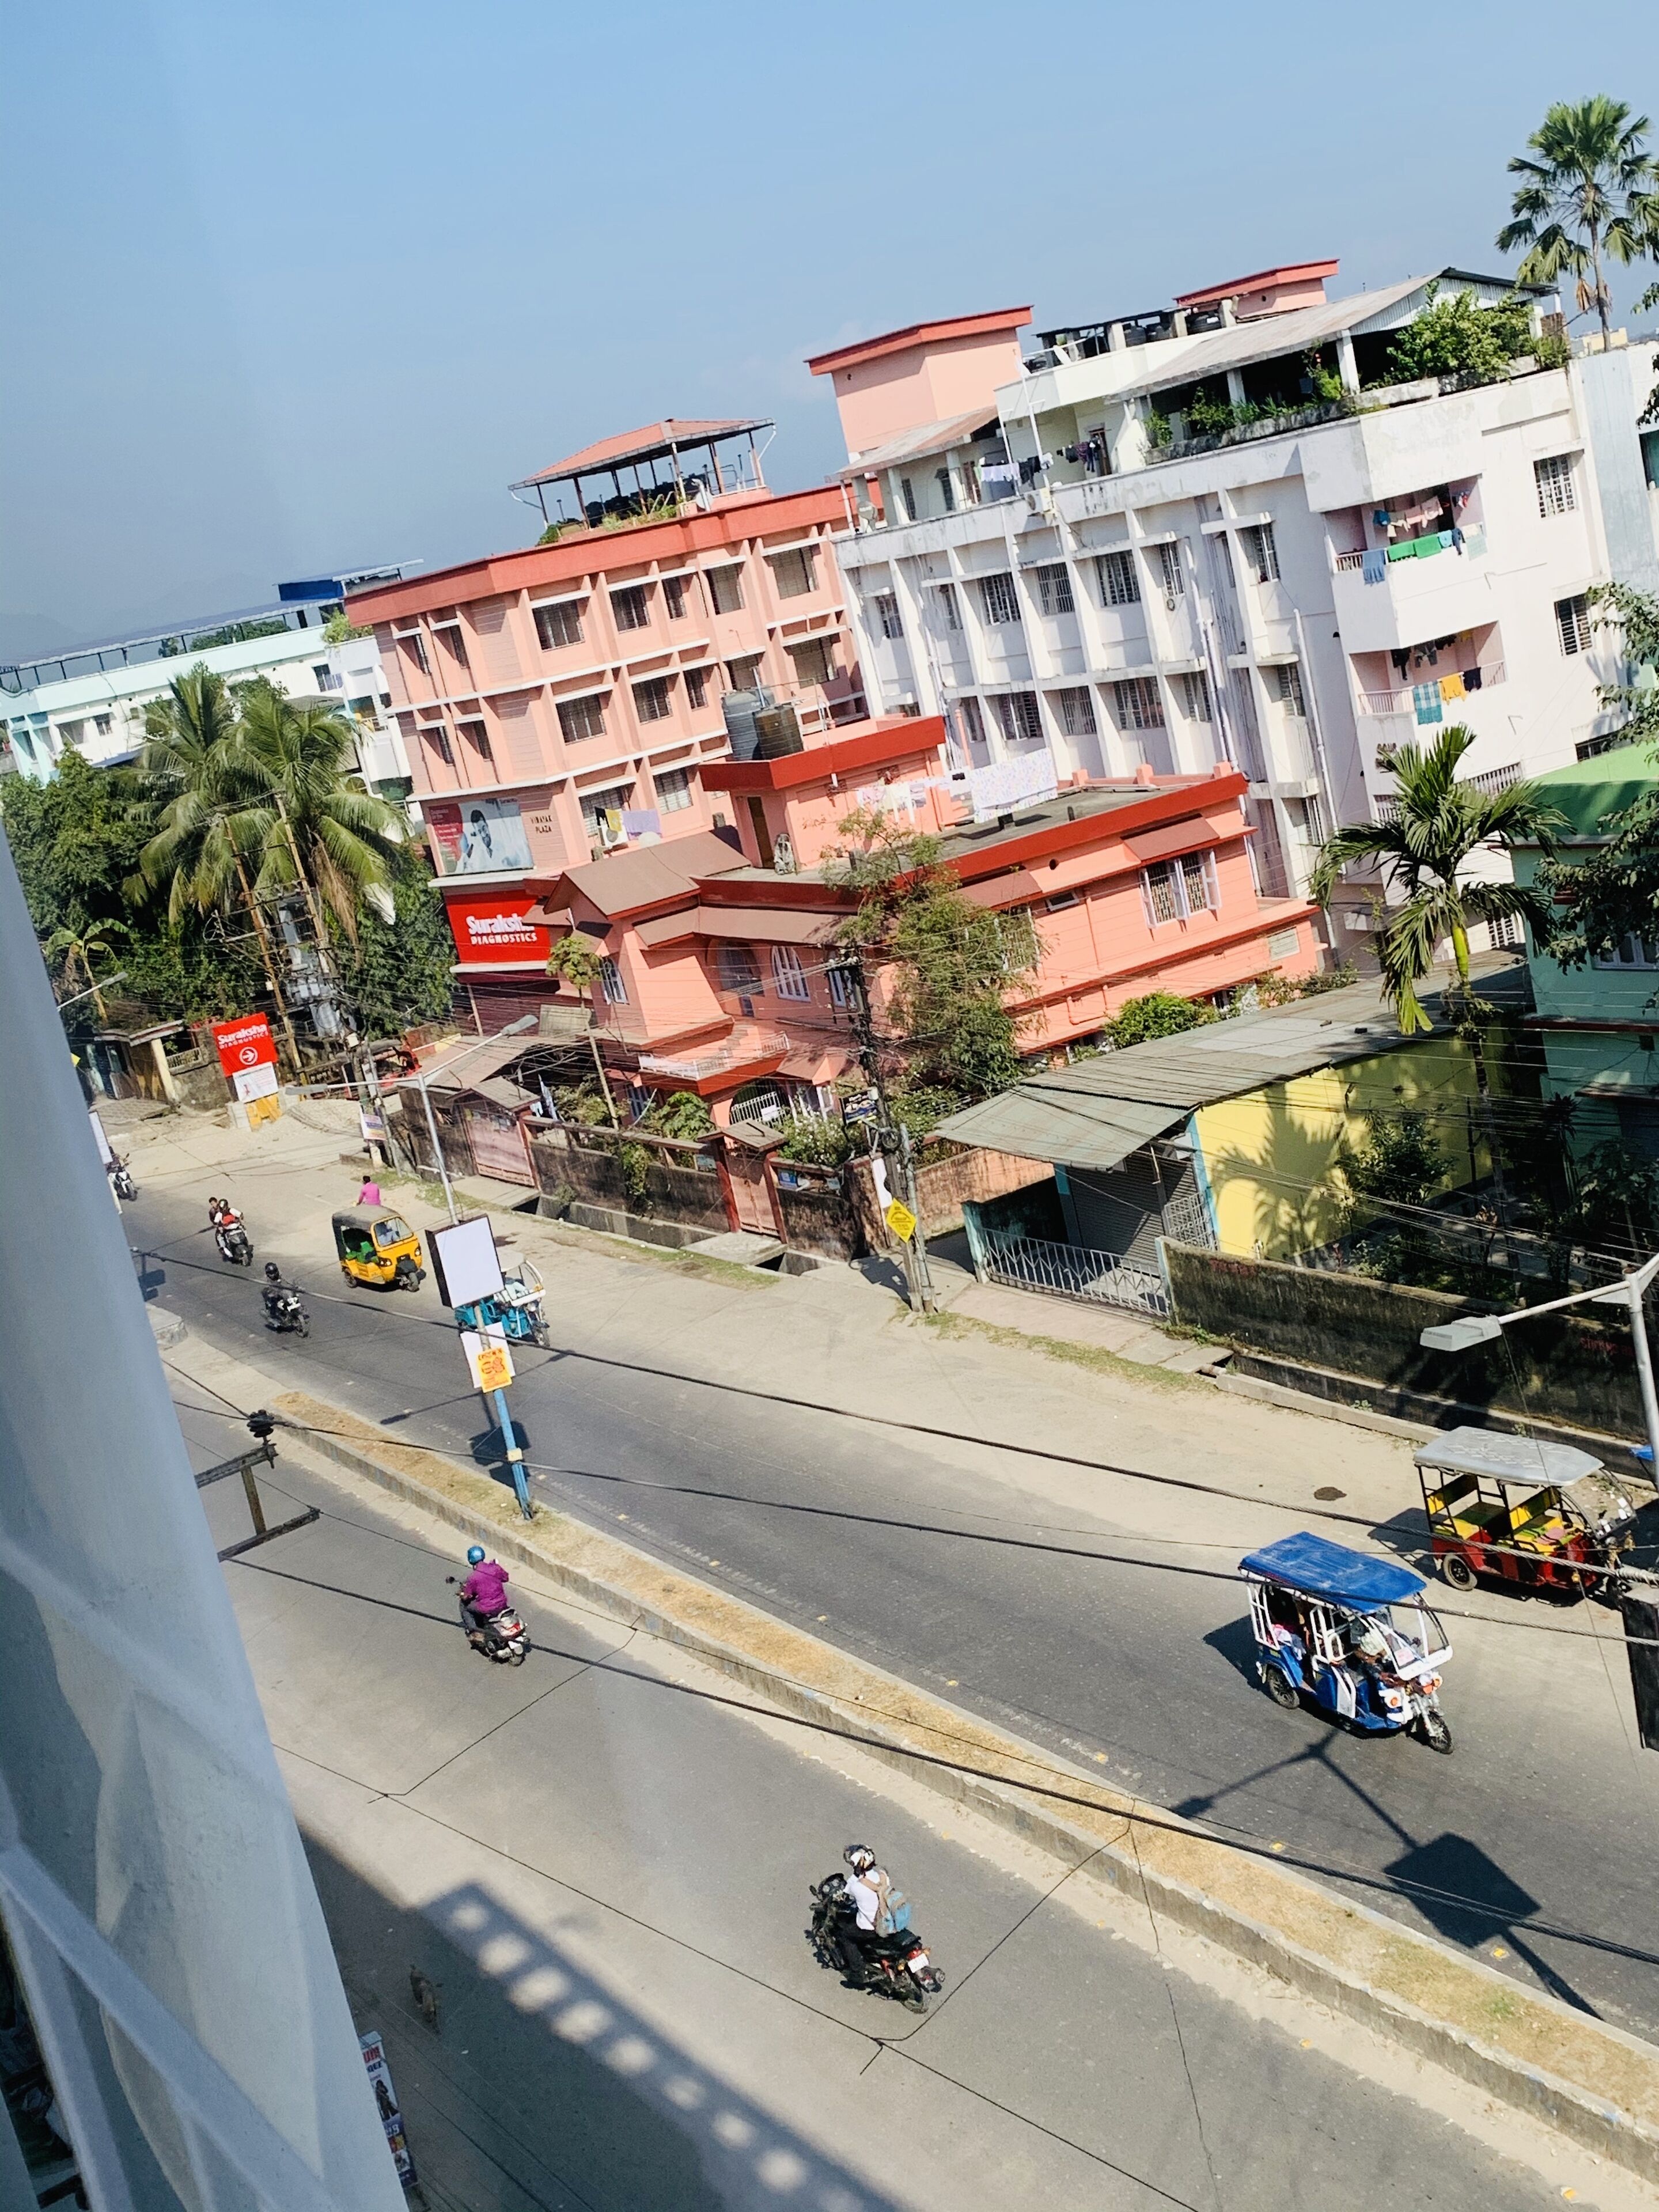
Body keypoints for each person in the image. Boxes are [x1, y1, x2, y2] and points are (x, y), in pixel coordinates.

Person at [836, 1844, 893, 1985]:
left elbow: (845, 1895)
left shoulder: (856, 1886)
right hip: (889, 1921)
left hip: (871, 1929)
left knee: (845, 1936)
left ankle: (857, 1972)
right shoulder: (883, 1876)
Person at [458, 1545, 511, 1638]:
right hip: (502, 1603)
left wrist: (461, 1594)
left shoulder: (473, 1578)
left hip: (487, 1608)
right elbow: (505, 1578)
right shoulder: (495, 1568)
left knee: (464, 1606)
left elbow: (467, 1596)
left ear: (470, 1559)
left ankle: (475, 1632)